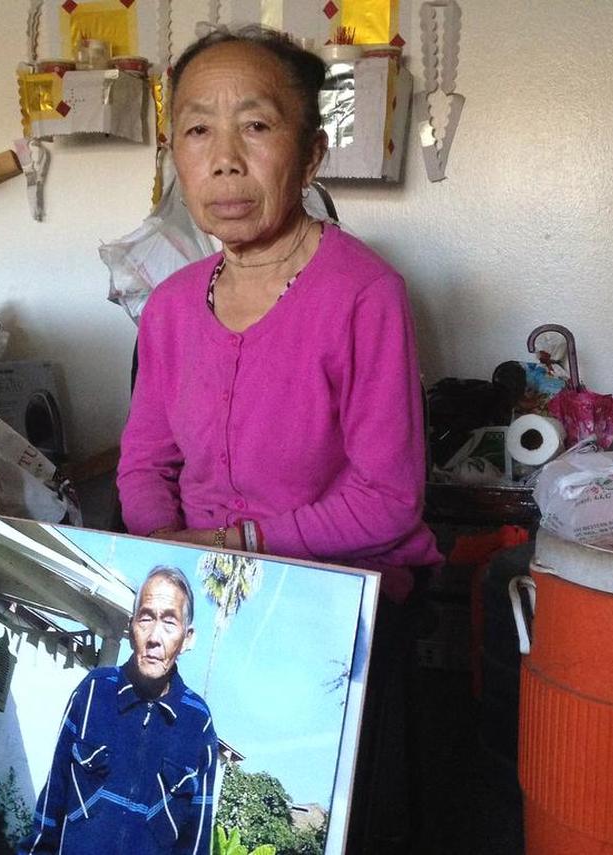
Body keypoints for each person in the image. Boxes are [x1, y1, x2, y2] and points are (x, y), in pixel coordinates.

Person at [115, 25, 442, 851]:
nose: (224, 158)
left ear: (312, 153)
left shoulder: (366, 294)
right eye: (197, 130)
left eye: (256, 126)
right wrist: (171, 562)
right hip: (204, 594)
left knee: (299, 820)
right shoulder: (170, 306)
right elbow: (144, 462)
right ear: (175, 156)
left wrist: (229, 546)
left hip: (335, 605)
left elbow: (388, 498)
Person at [20, 567, 216, 854]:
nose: (154, 637)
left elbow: (195, 844)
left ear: (187, 639)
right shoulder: (93, 693)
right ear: (130, 626)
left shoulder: (198, 723)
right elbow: (50, 810)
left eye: (169, 622)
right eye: (146, 617)